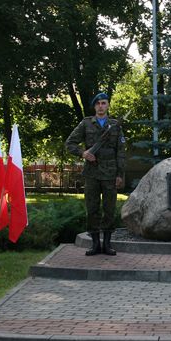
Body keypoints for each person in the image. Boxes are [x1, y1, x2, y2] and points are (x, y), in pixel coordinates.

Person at [66, 93, 125, 256]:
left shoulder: (115, 125)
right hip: (91, 173)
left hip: (110, 174)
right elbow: (69, 144)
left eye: (104, 103)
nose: (101, 106)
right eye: (98, 103)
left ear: (108, 106)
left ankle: (106, 245)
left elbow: (120, 152)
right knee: (92, 209)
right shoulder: (86, 124)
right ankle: (94, 245)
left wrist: (120, 174)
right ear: (94, 106)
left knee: (109, 209)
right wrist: (82, 153)